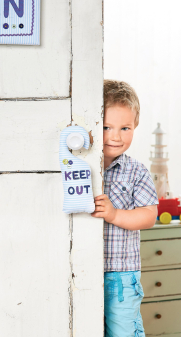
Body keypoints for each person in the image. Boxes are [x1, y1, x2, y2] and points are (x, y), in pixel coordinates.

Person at [91, 80, 159, 337]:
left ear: (135, 126)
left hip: (120, 276)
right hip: (84, 268)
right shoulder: (79, 169)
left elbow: (149, 215)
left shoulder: (135, 171)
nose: (115, 136)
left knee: (123, 332)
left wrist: (114, 214)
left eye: (125, 128)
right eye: (107, 127)